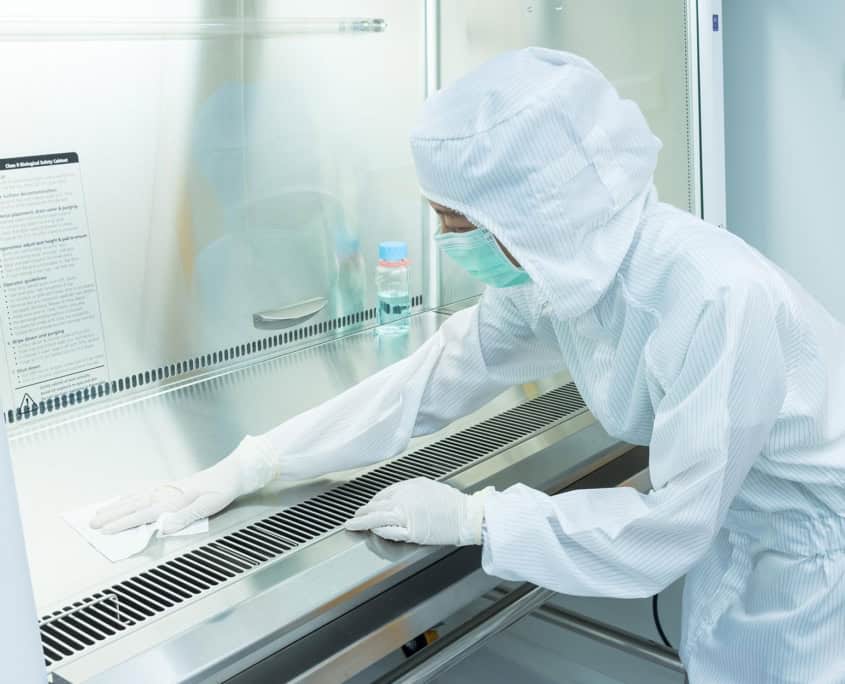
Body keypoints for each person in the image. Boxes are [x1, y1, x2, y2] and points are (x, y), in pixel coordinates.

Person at [92, 49, 845, 682]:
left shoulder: (713, 296)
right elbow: (435, 376)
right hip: (751, 539)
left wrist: (475, 516)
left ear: (539, 210)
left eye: (457, 223)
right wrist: (254, 464)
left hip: (818, 561)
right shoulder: (568, 274)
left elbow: (667, 529)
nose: (450, 242)